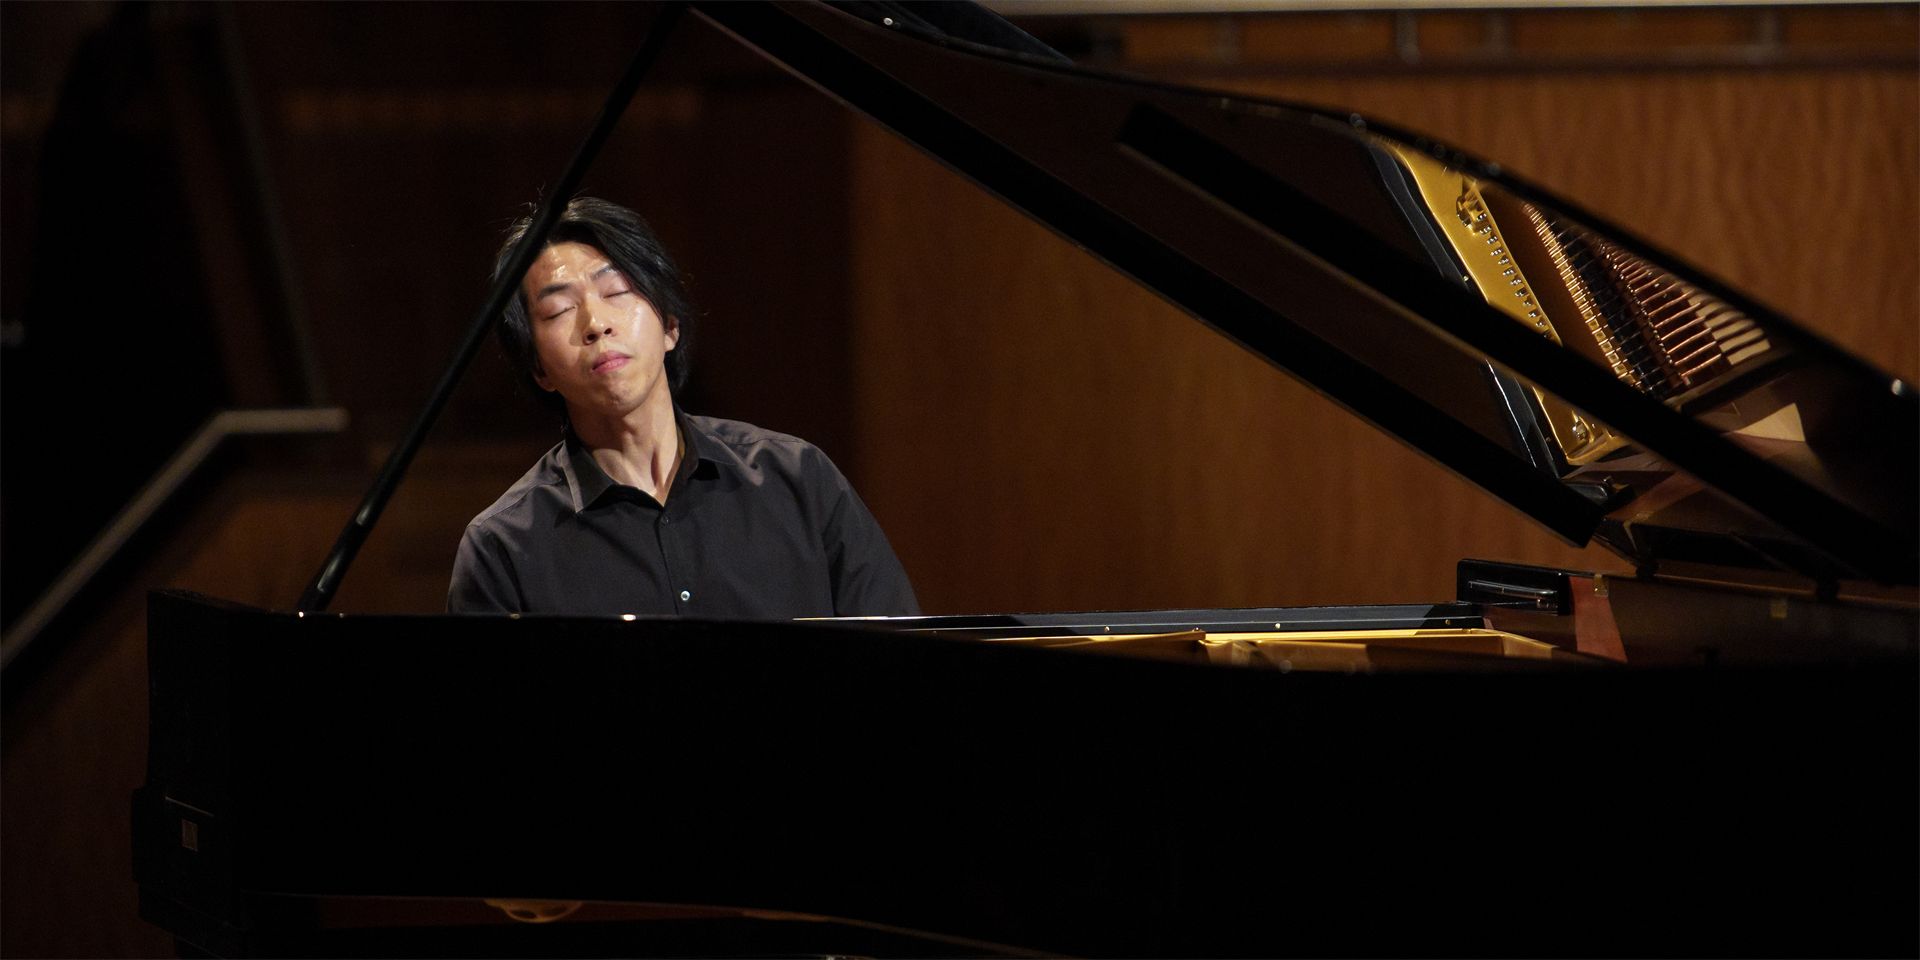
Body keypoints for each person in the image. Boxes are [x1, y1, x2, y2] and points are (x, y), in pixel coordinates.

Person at [448, 197, 919, 619]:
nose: (596, 324)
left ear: (670, 325)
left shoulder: (799, 481)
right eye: (559, 311)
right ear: (539, 369)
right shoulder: (503, 548)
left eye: (617, 292)